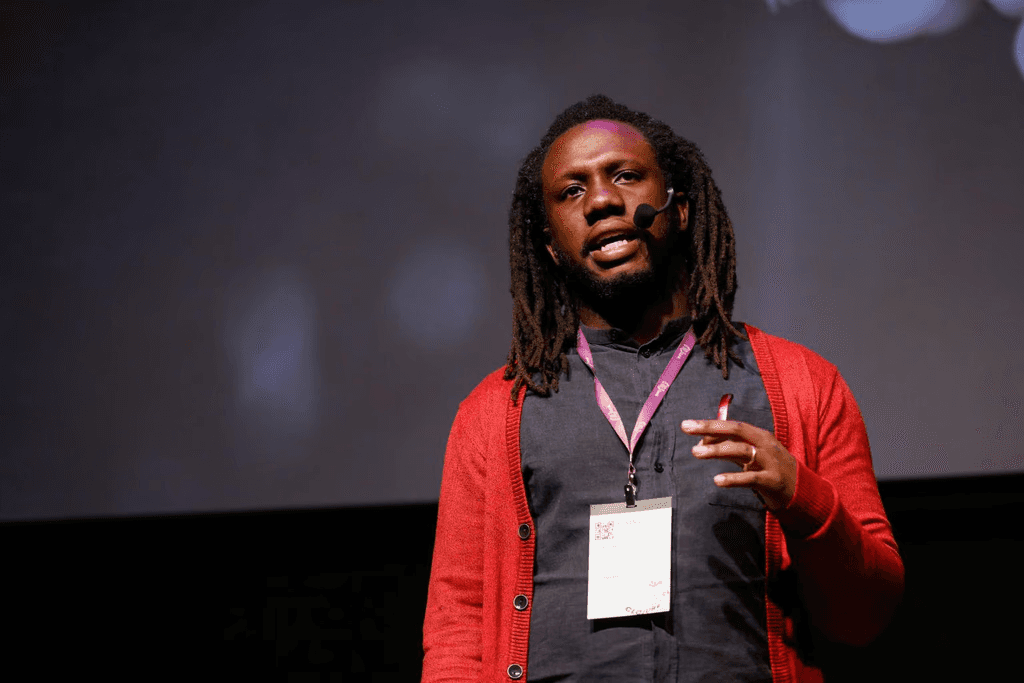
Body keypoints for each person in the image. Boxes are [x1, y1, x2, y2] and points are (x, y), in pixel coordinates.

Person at [421, 95, 904, 682]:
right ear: (551, 244)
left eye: (625, 176)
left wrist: (801, 496)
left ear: (678, 211)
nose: (602, 201)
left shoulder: (802, 384)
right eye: (572, 192)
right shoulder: (492, 413)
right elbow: (458, 629)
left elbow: (867, 616)